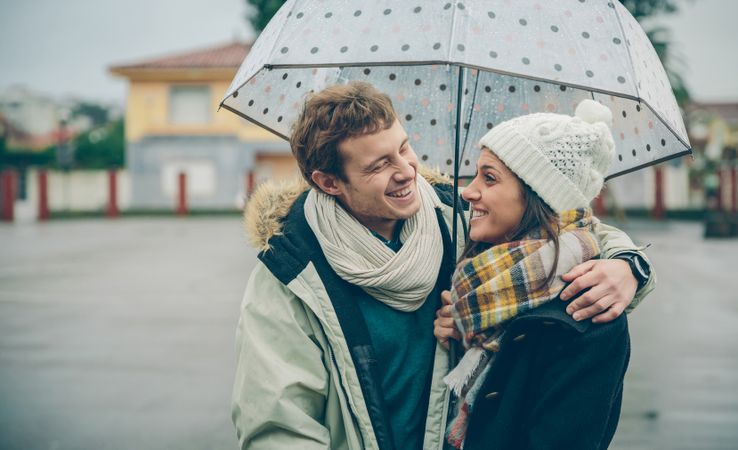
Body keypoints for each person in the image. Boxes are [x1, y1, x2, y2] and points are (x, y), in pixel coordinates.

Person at [231, 82, 654, 450]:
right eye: (379, 165)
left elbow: (564, 225)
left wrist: (628, 265)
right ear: (328, 182)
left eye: (403, 148)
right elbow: (279, 426)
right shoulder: (292, 272)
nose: (407, 171)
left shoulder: (454, 222)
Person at [434, 99, 645, 450]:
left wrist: (633, 266)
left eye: (489, 177)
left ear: (539, 196)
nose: (469, 191)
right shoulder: (480, 284)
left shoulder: (591, 321)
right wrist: (459, 337)